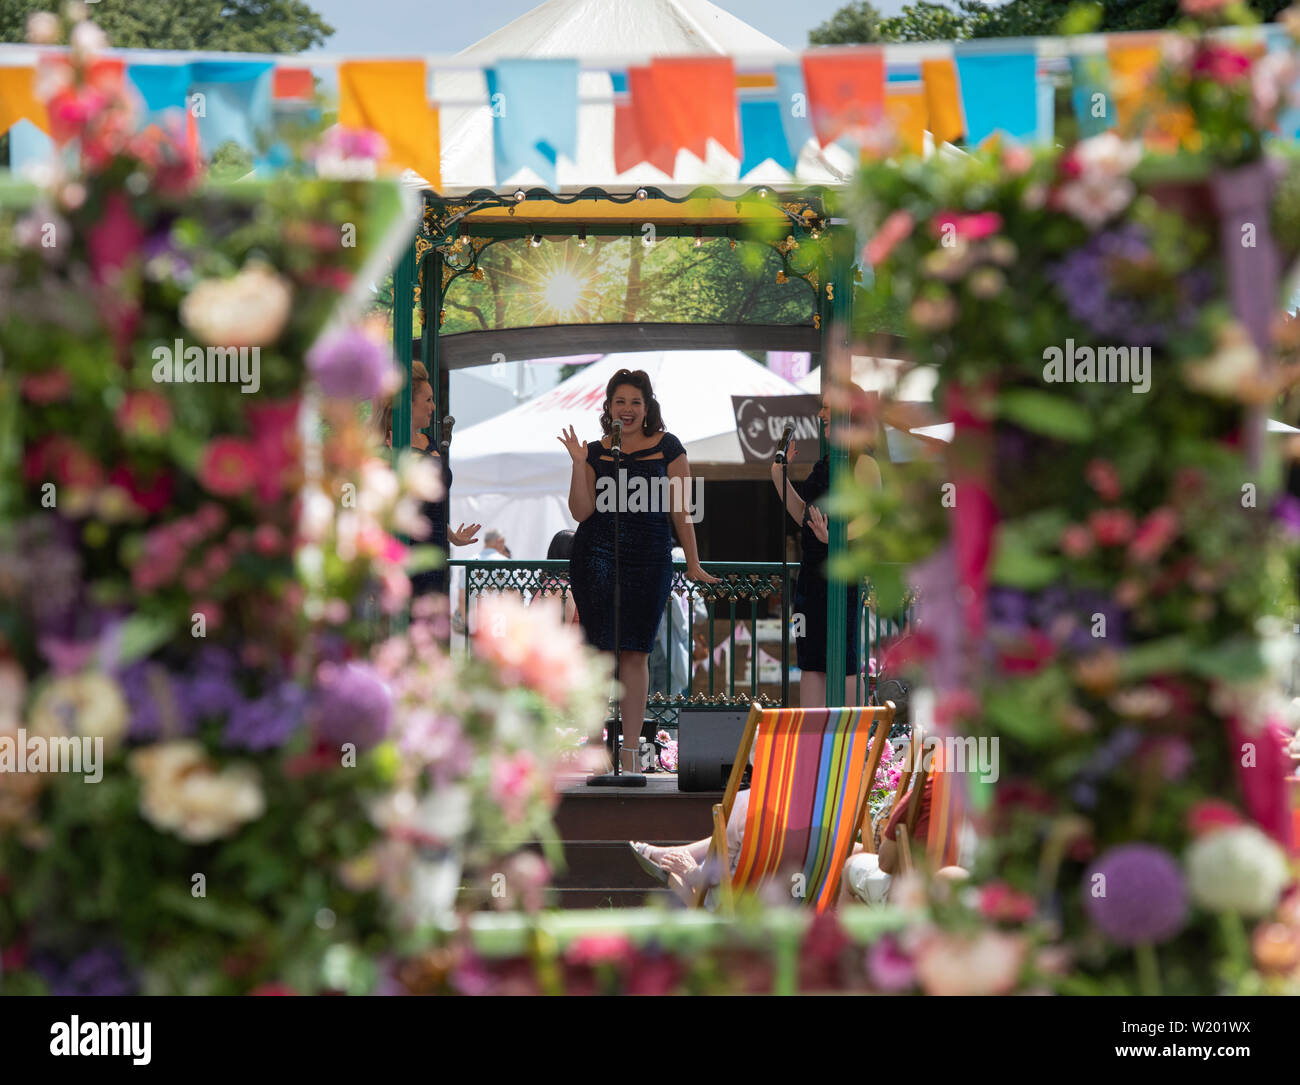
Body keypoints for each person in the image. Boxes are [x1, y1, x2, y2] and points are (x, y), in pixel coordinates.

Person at [559, 368, 720, 772]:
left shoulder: (669, 448)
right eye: (620, 402)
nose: (627, 409)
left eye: (635, 402)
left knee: (636, 654)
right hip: (596, 559)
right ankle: (594, 751)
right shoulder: (595, 451)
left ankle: (630, 752)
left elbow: (681, 512)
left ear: (647, 407)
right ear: (608, 407)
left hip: (649, 560)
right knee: (599, 654)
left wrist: (694, 563)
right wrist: (580, 463)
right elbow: (580, 512)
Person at [770, 392, 882, 707]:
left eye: (828, 408)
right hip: (810, 575)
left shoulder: (864, 461)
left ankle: (852, 743)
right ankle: (813, 746)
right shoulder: (828, 461)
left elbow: (872, 515)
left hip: (840, 571)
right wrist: (780, 479)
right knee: (810, 659)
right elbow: (805, 515)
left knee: (843, 658)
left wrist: (837, 539)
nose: (821, 414)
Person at [377, 376, 479, 596]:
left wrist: (450, 534)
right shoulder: (388, 443)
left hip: (437, 548)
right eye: (428, 400)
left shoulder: (429, 441)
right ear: (409, 404)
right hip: (409, 548)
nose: (433, 407)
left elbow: (431, 499)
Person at [649, 546, 707, 702]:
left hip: (665, 644)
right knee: (667, 693)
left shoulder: (684, 588)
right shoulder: (684, 587)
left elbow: (702, 616)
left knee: (658, 693)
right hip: (666, 645)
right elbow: (702, 616)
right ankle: (664, 725)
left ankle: (653, 725)